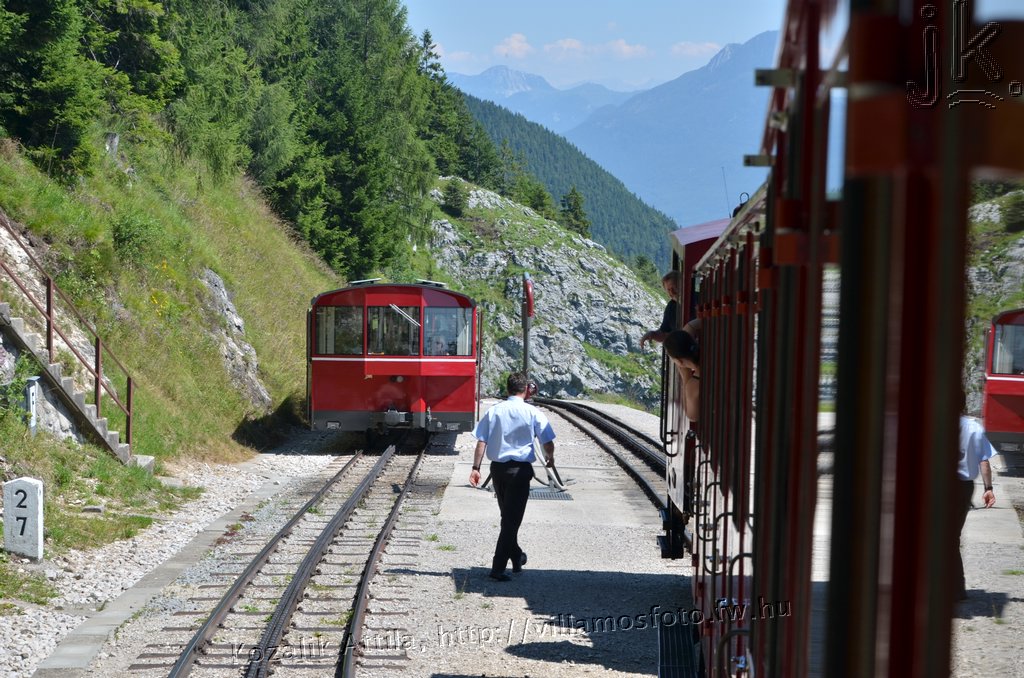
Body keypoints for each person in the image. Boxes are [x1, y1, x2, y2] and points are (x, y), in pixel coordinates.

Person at [469, 372, 556, 581]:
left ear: (507, 389)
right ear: (526, 389)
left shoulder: (494, 411)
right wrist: (550, 458)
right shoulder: (532, 412)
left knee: (508, 518)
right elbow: (547, 441)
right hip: (520, 472)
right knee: (511, 521)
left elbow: (482, 441)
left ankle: (516, 556)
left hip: (498, 470)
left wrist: (476, 467)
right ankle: (497, 568)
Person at [955, 415, 997, 599]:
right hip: (963, 488)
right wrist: (988, 489)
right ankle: (957, 589)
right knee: (952, 537)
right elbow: (984, 461)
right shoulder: (974, 427)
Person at [665, 328, 700, 422]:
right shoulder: (713, 351)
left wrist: (686, 378)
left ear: (679, 361)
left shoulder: (694, 384)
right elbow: (691, 326)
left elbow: (692, 416)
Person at [640, 272, 680, 349]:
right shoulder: (671, 307)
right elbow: (664, 333)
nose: (672, 292)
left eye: (674, 287)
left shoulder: (698, 299)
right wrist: (652, 334)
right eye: (668, 290)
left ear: (682, 285)